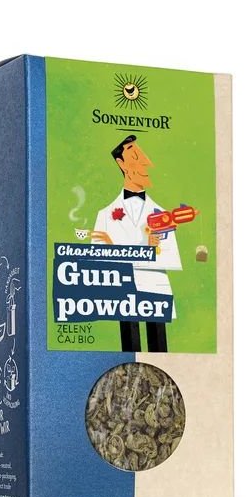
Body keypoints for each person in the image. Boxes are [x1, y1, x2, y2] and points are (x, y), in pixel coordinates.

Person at [91, 135, 181, 352]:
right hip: (122, 289)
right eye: (136, 157)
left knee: (159, 347)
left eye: (144, 157)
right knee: (129, 345)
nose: (146, 163)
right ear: (121, 164)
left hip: (155, 289)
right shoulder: (105, 216)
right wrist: (140, 252)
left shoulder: (161, 215)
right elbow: (96, 261)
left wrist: (151, 248)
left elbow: (172, 258)